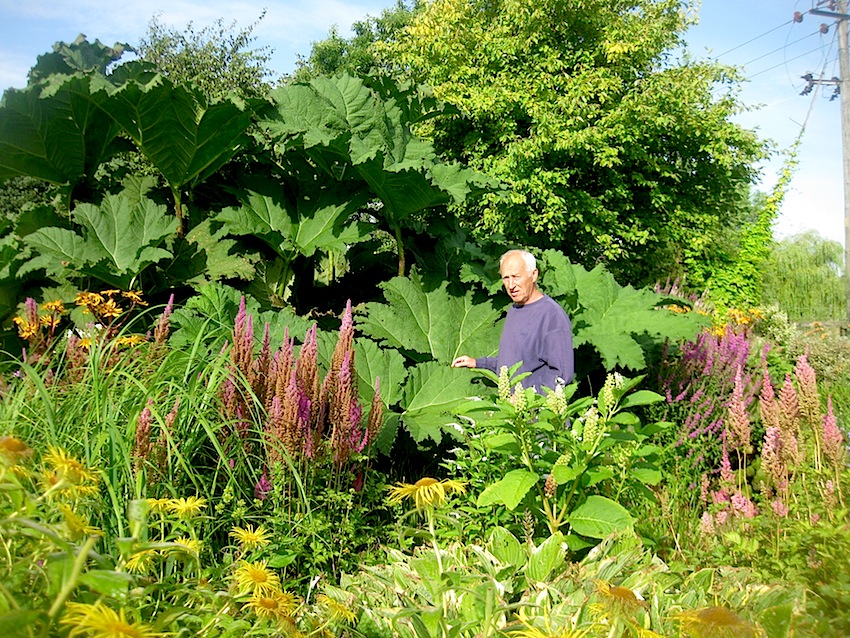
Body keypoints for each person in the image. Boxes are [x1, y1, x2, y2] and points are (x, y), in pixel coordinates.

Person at [451, 249, 574, 392]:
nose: (510, 285)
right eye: (506, 278)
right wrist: (477, 363)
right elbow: (511, 363)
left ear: (534, 275)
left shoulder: (552, 316)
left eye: (516, 277)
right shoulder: (515, 310)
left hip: (534, 405)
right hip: (510, 403)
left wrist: (526, 397)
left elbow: (562, 374)